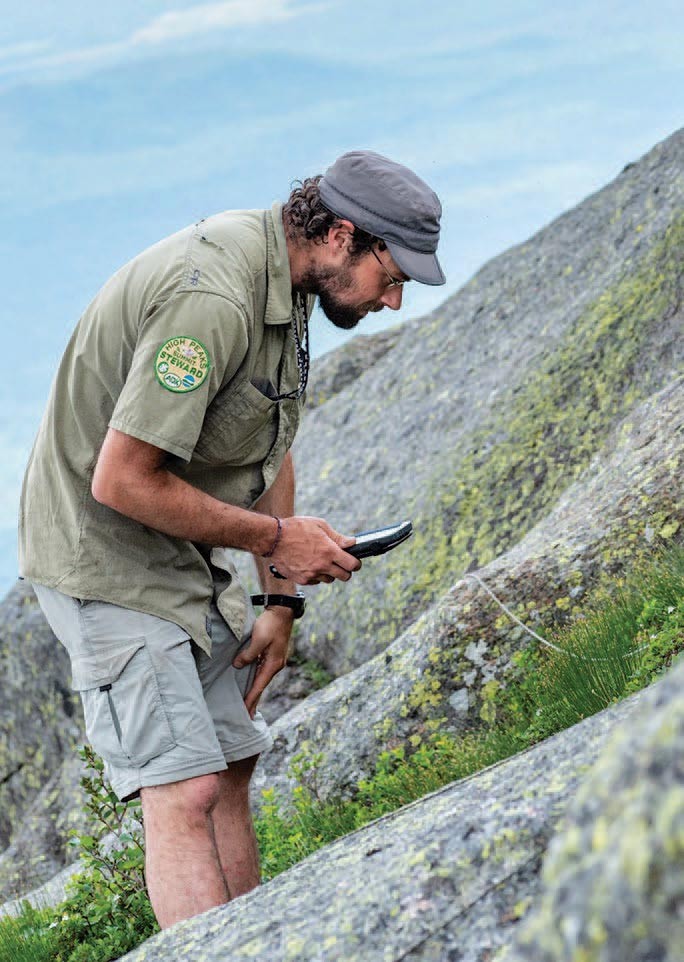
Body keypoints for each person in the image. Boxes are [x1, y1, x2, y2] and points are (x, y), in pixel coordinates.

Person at [18, 150, 445, 928]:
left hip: (176, 542)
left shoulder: (289, 286)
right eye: (393, 273)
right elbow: (119, 481)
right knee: (183, 787)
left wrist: (278, 599)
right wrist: (281, 535)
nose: (393, 300)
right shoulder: (211, 297)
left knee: (232, 761)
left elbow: (269, 440)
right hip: (103, 553)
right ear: (342, 234)